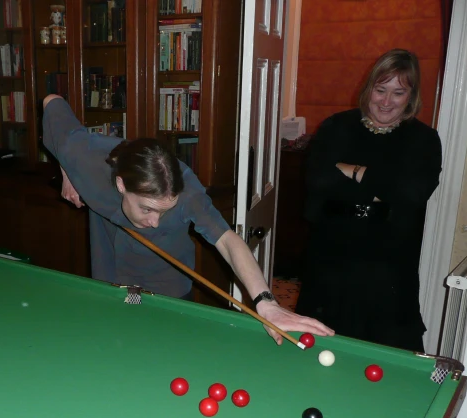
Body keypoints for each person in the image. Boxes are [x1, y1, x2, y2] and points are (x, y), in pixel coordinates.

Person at [42, 94, 333, 345]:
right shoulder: (84, 156)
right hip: (109, 289)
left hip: (168, 293)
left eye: (163, 211)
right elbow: (51, 102)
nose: (154, 222)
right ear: (120, 185)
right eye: (146, 209)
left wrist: (266, 303)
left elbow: (228, 241)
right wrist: (67, 170)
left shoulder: (189, 193)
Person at [294, 49, 442, 352]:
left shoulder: (423, 140)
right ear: (369, 87)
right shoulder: (337, 127)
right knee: (322, 343)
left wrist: (353, 170)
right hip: (332, 252)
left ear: (411, 96)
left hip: (388, 259)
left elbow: (413, 195)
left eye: (398, 92)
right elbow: (319, 181)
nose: (386, 101)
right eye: (380, 89)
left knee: (386, 351)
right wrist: (383, 188)